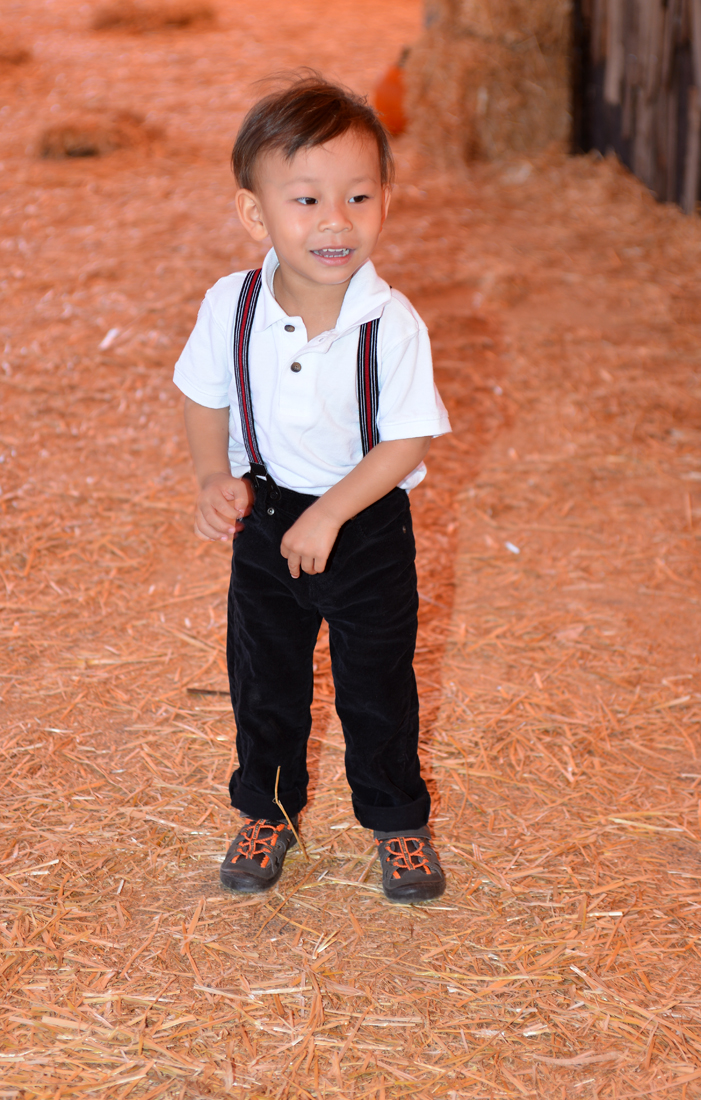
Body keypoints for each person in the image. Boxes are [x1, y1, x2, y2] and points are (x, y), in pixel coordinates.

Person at [173, 75, 451, 904]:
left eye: (359, 196)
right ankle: (267, 809)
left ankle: (397, 820)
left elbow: (406, 439)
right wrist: (211, 476)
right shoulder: (234, 304)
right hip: (267, 518)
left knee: (377, 682)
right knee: (266, 676)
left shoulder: (389, 322)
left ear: (383, 203)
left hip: (363, 525)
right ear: (255, 214)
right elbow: (202, 392)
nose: (336, 220)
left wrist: (332, 513)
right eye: (306, 200)